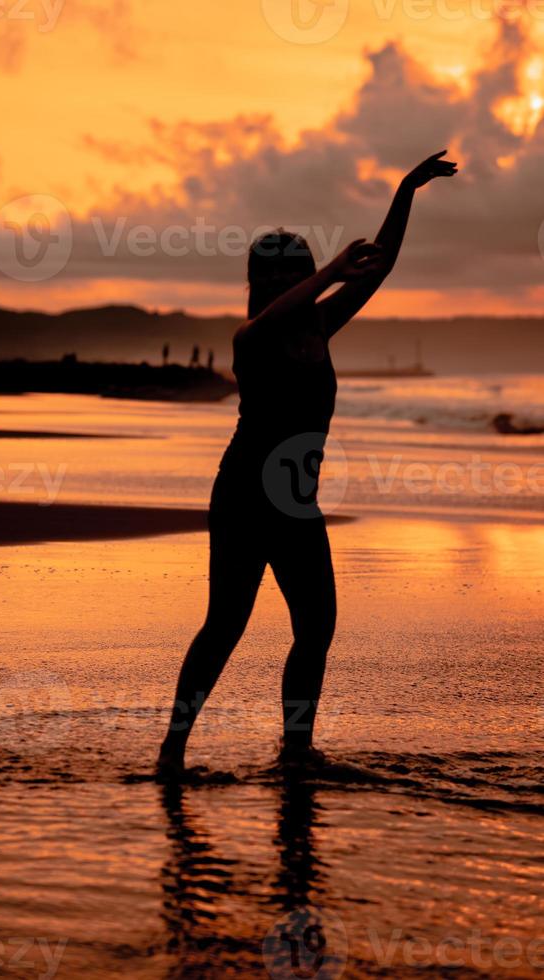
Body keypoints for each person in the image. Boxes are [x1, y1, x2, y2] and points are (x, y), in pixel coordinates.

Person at [157, 151, 458, 779]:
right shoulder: (253, 338)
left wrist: (406, 190)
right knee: (225, 626)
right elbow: (277, 311)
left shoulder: (320, 325)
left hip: (296, 502)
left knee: (316, 627)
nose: (293, 283)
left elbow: (382, 265)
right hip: (244, 497)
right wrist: (325, 270)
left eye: (298, 272)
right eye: (285, 275)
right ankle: (172, 754)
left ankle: (295, 750)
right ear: (265, 283)